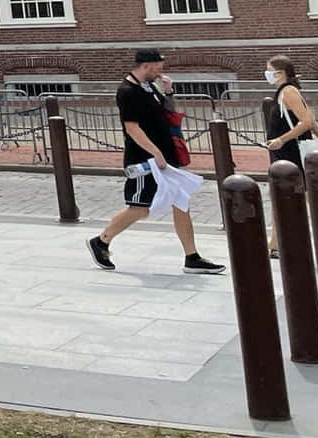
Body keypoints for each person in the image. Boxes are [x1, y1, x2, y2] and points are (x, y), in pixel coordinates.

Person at [88, 48, 223, 274]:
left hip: (165, 157)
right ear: (146, 66)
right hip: (144, 159)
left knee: (181, 202)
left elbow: (164, 114)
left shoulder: (150, 86)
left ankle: (192, 256)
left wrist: (168, 92)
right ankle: (101, 241)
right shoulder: (127, 91)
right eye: (158, 68)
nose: (160, 72)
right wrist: (155, 152)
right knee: (140, 208)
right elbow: (132, 128)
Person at [264, 54, 318, 257]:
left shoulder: (288, 91)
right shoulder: (283, 91)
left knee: (299, 195)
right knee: (283, 195)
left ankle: (278, 243)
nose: (267, 74)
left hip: (290, 151)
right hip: (284, 151)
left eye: (269, 71)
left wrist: (281, 139)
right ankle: (274, 243)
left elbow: (306, 121)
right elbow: (309, 118)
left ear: (280, 73)